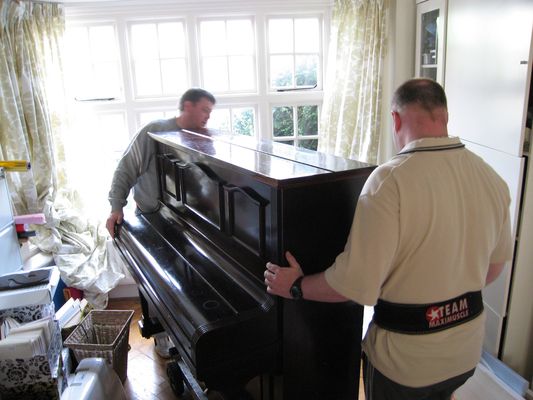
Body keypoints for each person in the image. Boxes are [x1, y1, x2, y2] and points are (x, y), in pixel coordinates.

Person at [264, 78, 513, 400]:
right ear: (445, 115)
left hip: (406, 363)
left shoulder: (389, 181)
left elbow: (353, 284)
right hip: (465, 352)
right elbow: (492, 269)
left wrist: (295, 286)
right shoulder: (491, 177)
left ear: (395, 118)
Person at [106, 88, 216, 238]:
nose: (208, 116)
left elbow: (193, 178)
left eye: (210, 112)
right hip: (150, 217)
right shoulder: (155, 130)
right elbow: (127, 168)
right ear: (188, 106)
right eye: (205, 110)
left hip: (182, 221)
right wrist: (116, 207)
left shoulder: (197, 138)